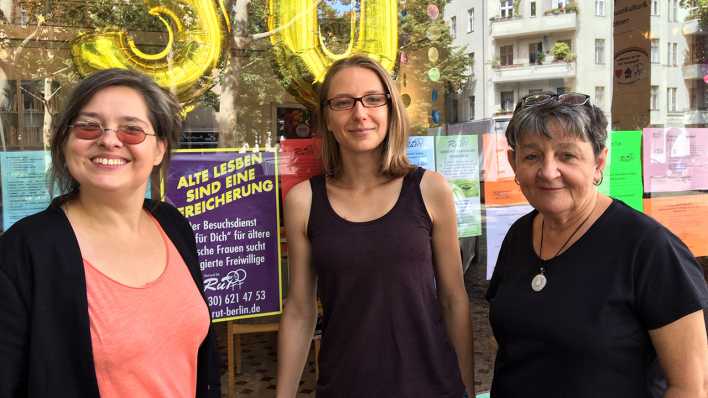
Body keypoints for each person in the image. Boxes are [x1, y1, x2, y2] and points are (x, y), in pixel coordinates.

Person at [0, 69, 220, 397]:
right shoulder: (24, 250)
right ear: (65, 142)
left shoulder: (173, 225)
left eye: (132, 130)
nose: (109, 139)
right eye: (89, 126)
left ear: (159, 149)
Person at [276, 55, 475, 397]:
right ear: (327, 116)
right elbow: (299, 310)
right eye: (343, 102)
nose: (359, 113)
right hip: (344, 386)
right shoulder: (303, 201)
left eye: (372, 99)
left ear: (389, 108)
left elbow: (454, 301)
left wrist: (468, 390)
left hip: (431, 387)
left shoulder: (430, 190)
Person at [487, 92, 708, 397]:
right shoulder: (518, 235)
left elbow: (691, 387)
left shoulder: (649, 248)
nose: (548, 171)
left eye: (567, 155)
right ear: (513, 162)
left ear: (599, 161)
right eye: (532, 156)